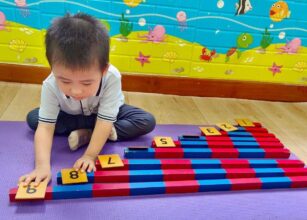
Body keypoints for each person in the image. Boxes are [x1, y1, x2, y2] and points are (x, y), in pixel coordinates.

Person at [18, 13, 156, 186]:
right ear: (52, 67)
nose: (76, 91)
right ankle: (93, 131)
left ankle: (89, 134)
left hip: (107, 115)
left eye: (87, 82)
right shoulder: (50, 83)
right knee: (34, 119)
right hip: (71, 115)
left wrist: (89, 156)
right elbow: (45, 127)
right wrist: (41, 166)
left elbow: (106, 120)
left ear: (103, 70)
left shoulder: (111, 77)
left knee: (146, 120)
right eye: (65, 81)